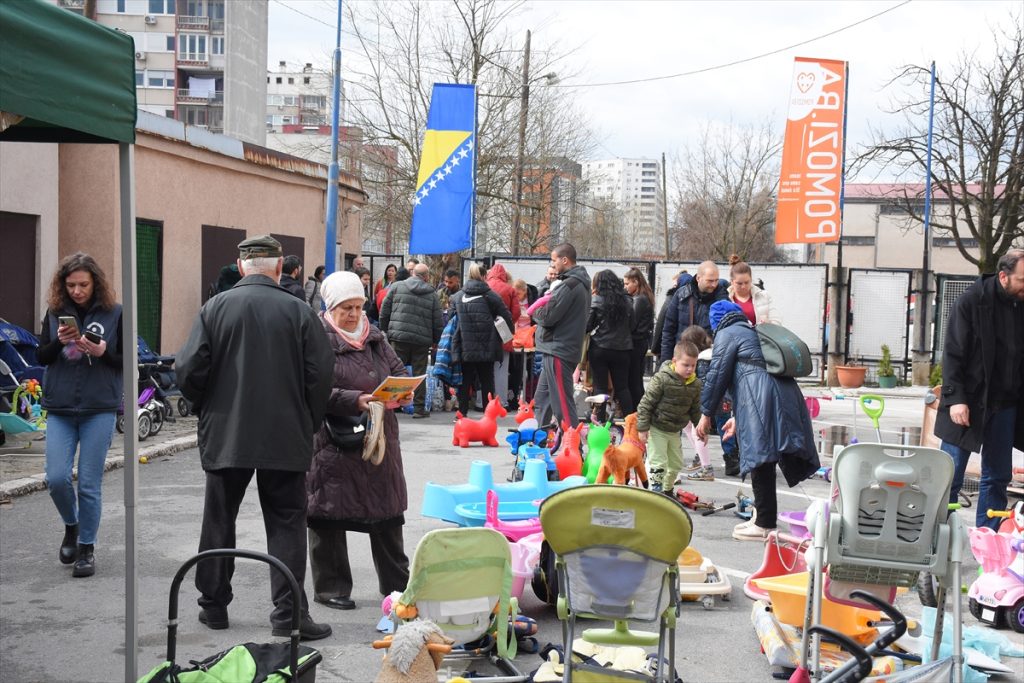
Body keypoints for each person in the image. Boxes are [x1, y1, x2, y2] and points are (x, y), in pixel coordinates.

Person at [176, 235, 335, 640]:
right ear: (280, 268)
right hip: (285, 434)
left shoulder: (214, 308)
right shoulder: (299, 312)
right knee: (286, 522)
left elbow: (188, 371)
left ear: (241, 266)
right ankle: (288, 614)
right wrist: (308, 421)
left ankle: (213, 606)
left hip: (227, 432)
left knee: (219, 518)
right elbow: (320, 378)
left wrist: (206, 408)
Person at [306, 271, 413, 611]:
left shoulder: (376, 338)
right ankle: (331, 586)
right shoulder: (317, 339)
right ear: (330, 307)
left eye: (357, 306)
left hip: (378, 439)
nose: (353, 314)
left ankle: (397, 587)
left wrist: (404, 392)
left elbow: (397, 372)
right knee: (329, 514)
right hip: (334, 442)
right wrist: (354, 399)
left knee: (387, 514)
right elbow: (311, 388)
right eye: (345, 308)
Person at [696, 301, 818, 541]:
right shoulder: (753, 331)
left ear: (716, 322)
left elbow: (717, 375)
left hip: (760, 399)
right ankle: (763, 518)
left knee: (760, 457)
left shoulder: (727, 333)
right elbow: (747, 372)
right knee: (766, 457)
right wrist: (737, 418)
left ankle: (764, 524)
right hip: (782, 395)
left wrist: (705, 413)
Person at [38, 253, 123, 578]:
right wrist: (58, 344)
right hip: (60, 406)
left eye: (83, 285)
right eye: (70, 285)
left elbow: (125, 361)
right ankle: (71, 527)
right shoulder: (55, 313)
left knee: (89, 484)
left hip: (98, 407)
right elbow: (41, 356)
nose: (76, 291)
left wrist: (103, 353)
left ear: (95, 283)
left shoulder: (115, 314)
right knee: (57, 478)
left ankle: (86, 548)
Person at [934, 248, 1024, 530]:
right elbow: (952, 355)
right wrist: (956, 400)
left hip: (1005, 404)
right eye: (1023, 280)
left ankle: (989, 540)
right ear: (1003, 276)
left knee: (997, 477)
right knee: (949, 477)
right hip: (968, 403)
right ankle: (938, 540)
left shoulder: (1021, 304)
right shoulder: (970, 303)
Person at [532, 243, 591, 428]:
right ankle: (540, 440)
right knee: (542, 399)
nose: (552, 264)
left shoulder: (569, 285)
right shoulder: (577, 284)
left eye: (553, 260)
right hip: (557, 348)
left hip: (558, 350)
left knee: (562, 405)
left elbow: (547, 316)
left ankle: (573, 447)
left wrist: (534, 311)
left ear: (564, 260)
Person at [636, 341, 702, 496]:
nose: (690, 369)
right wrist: (643, 428)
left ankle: (667, 490)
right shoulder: (662, 379)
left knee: (676, 464)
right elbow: (646, 404)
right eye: (686, 365)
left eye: (693, 365)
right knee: (659, 462)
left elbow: (695, 409)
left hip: (675, 430)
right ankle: (656, 492)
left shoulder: (695, 384)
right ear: (674, 361)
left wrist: (701, 428)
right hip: (657, 427)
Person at [380, 263, 443, 418]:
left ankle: (392, 405)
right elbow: (437, 320)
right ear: (426, 276)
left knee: (395, 371)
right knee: (419, 374)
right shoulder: (432, 294)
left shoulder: (396, 287)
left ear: (413, 273)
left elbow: (384, 310)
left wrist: (386, 330)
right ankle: (419, 409)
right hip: (421, 341)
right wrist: (436, 340)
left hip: (398, 337)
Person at [449, 264, 513, 414]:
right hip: (487, 345)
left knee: (465, 381)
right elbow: (507, 318)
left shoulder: (458, 296)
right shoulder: (492, 296)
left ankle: (462, 413)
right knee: (487, 381)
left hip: (466, 345)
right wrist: (503, 332)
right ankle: (488, 413)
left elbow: (451, 320)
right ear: (484, 277)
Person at [587, 269, 635, 416]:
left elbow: (587, 326)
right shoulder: (627, 301)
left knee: (600, 387)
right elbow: (632, 325)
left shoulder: (596, 300)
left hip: (600, 348)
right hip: (623, 349)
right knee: (622, 388)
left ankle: (600, 422)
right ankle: (629, 423)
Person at [660, 261, 728, 363]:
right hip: (683, 358)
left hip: (710, 360)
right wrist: (665, 362)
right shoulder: (681, 295)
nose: (714, 284)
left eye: (716, 280)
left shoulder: (723, 301)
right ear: (698, 278)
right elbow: (668, 331)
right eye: (710, 281)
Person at [679, 325, 716, 481]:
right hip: (702, 401)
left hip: (702, 402)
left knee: (697, 431)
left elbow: (701, 385)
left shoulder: (702, 362)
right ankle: (701, 457)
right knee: (687, 425)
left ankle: (706, 468)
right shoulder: (704, 359)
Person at [486, 263, 521, 408]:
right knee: (502, 368)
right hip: (503, 331)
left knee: (485, 369)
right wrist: (508, 322)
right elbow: (516, 312)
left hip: (485, 332)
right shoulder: (509, 289)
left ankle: (483, 401)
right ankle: (502, 401)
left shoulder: (484, 286)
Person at [624, 267, 655, 407]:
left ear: (635, 282)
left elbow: (632, 322)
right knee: (635, 379)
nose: (625, 287)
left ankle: (638, 410)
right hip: (639, 342)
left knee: (634, 380)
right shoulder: (643, 297)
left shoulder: (639, 300)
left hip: (636, 343)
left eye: (627, 283)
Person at [509, 278, 538, 404]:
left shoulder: (531, 300)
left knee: (530, 369)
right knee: (516, 369)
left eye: (519, 294)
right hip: (516, 336)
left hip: (529, 336)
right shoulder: (513, 300)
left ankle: (529, 396)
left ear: (524, 292)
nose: (517, 296)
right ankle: (514, 396)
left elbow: (535, 318)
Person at [727, 255, 777, 325]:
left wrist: (768, 323)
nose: (743, 286)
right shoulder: (725, 299)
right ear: (732, 282)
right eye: (739, 283)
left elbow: (777, 321)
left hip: (761, 335)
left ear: (751, 279)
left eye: (747, 282)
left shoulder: (765, 296)